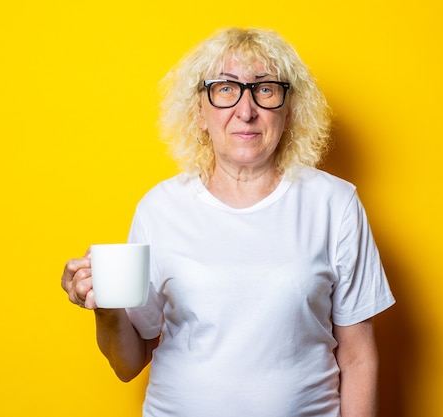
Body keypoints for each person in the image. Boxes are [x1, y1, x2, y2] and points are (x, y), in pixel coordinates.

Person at [61, 27, 395, 417]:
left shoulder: (335, 204)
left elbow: (358, 358)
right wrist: (105, 308)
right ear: (200, 112)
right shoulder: (160, 207)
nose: (246, 109)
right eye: (225, 89)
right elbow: (127, 364)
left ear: (289, 111)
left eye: (265, 89)